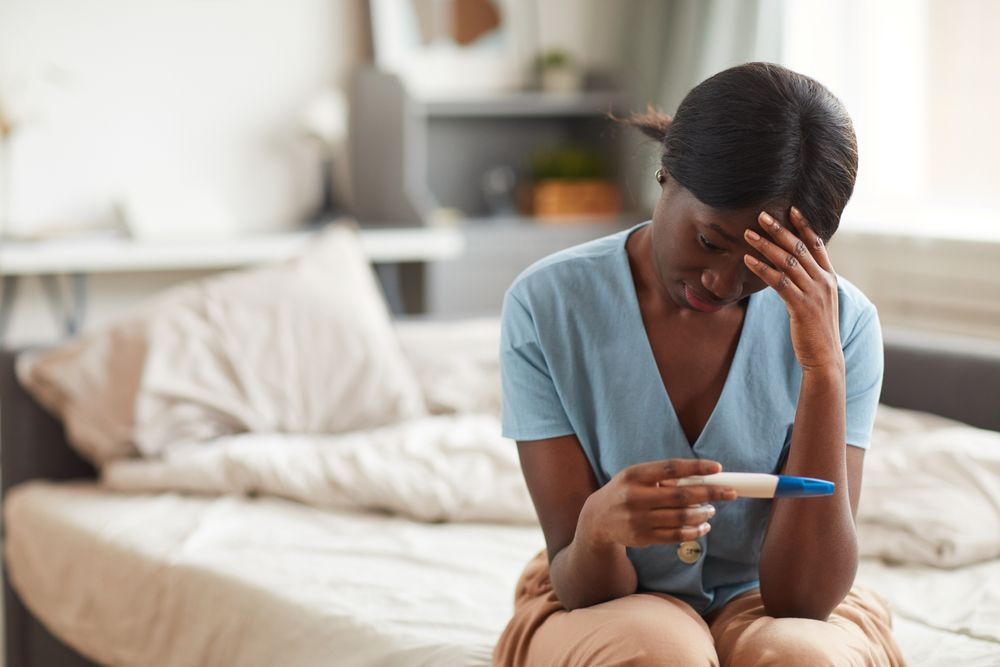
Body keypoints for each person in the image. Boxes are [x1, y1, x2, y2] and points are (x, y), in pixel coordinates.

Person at [492, 62, 905, 666]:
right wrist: (600, 530)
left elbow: (804, 598)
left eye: (764, 265)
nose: (722, 282)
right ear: (666, 174)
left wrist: (823, 372)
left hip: (770, 600)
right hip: (599, 597)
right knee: (659, 654)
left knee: (802, 656)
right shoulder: (545, 307)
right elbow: (582, 584)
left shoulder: (845, 327)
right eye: (711, 241)